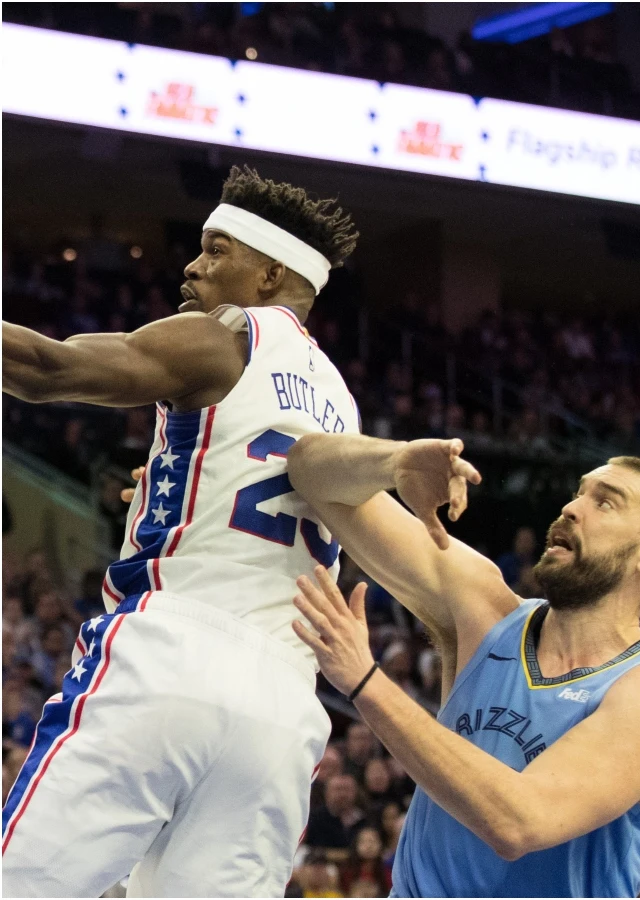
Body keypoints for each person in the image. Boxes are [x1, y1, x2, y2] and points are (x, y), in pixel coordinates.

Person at [0, 167, 360, 895]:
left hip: (175, 654)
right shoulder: (342, 403)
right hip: (285, 711)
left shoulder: (226, 338)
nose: (193, 266)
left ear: (269, 272)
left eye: (215, 249)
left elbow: (47, 368)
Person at [283, 436, 640, 897]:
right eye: (579, 492)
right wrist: (394, 460)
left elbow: (518, 822)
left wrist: (366, 682)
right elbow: (307, 471)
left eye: (605, 503)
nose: (571, 507)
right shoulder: (485, 609)